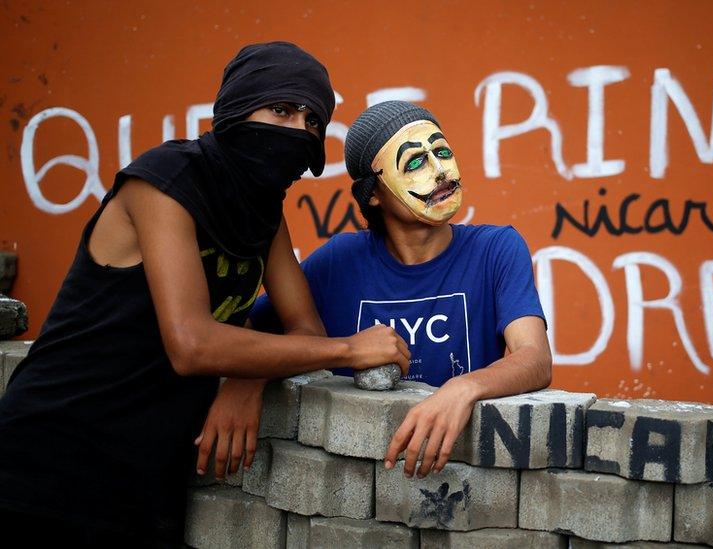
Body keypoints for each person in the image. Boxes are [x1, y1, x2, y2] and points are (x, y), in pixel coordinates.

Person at [0, 42, 409, 545]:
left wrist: (246, 378)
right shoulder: (164, 183)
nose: (297, 130)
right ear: (239, 109)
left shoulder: (265, 213)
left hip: (149, 473)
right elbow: (191, 344)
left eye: (311, 121)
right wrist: (351, 348)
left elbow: (302, 325)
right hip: (50, 460)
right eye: (281, 109)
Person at [248, 100, 552, 481]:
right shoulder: (339, 261)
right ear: (373, 193)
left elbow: (535, 359)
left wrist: (463, 388)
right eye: (414, 162)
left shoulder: (496, 249)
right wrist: (245, 383)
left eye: (441, 152)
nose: (440, 170)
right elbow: (248, 331)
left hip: (462, 478)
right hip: (353, 484)